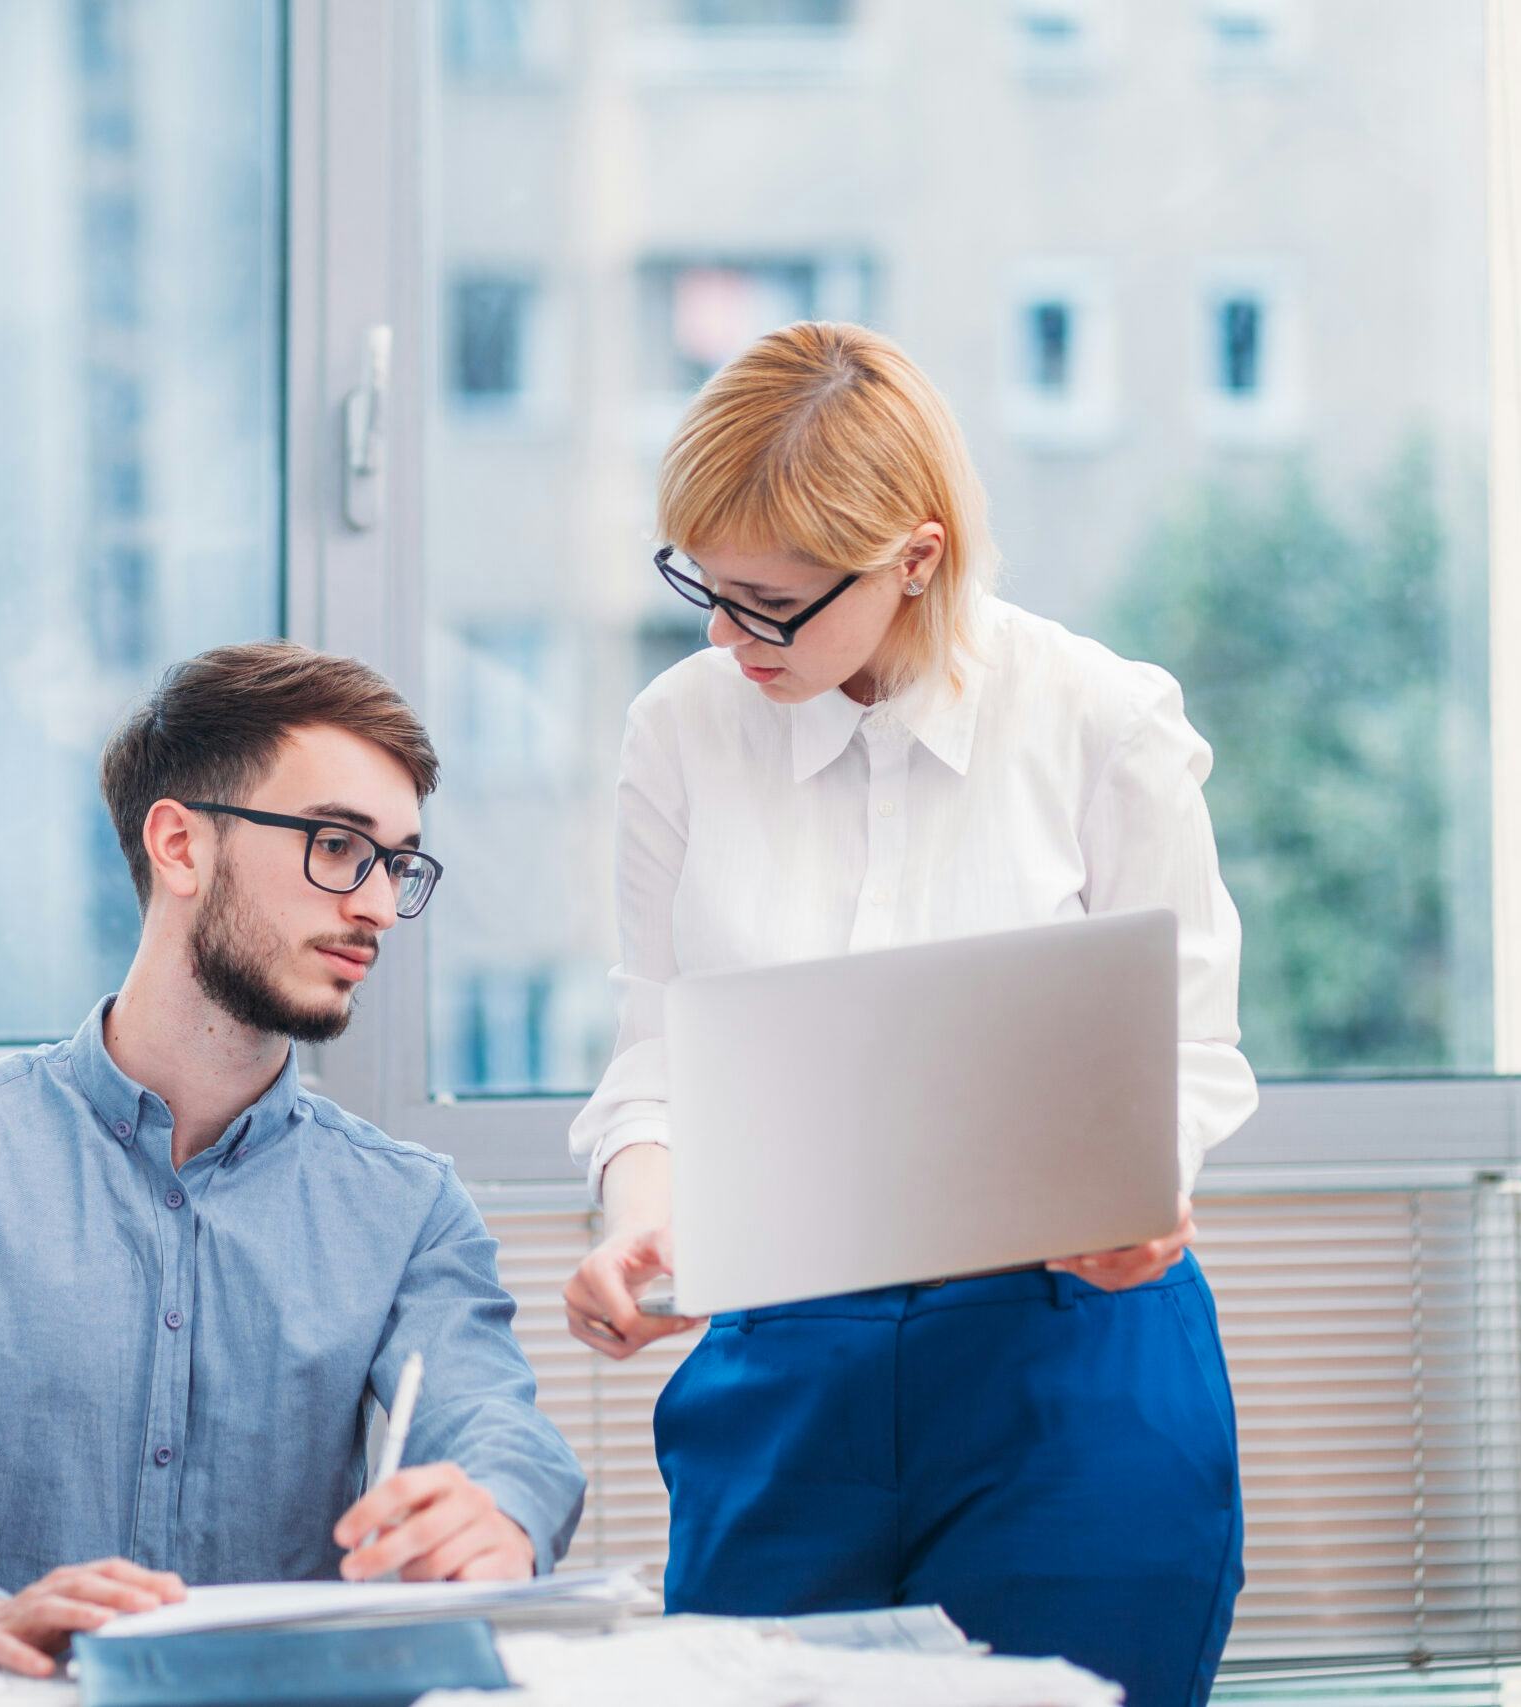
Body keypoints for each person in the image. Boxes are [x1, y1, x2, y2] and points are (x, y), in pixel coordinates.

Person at [561, 322, 1257, 1707]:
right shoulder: (682, 728)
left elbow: (1191, 1050)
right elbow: (660, 1048)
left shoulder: (1100, 718)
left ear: (914, 558)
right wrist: (641, 1211)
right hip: (783, 1368)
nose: (724, 632)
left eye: (768, 600)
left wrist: (1144, 1190)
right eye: (704, 583)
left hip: (1068, 1359)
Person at [0, 642, 585, 1682]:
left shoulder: (407, 1206)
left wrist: (495, 1516)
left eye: (396, 863)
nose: (379, 907)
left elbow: (498, 1429)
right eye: (338, 846)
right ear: (179, 846)